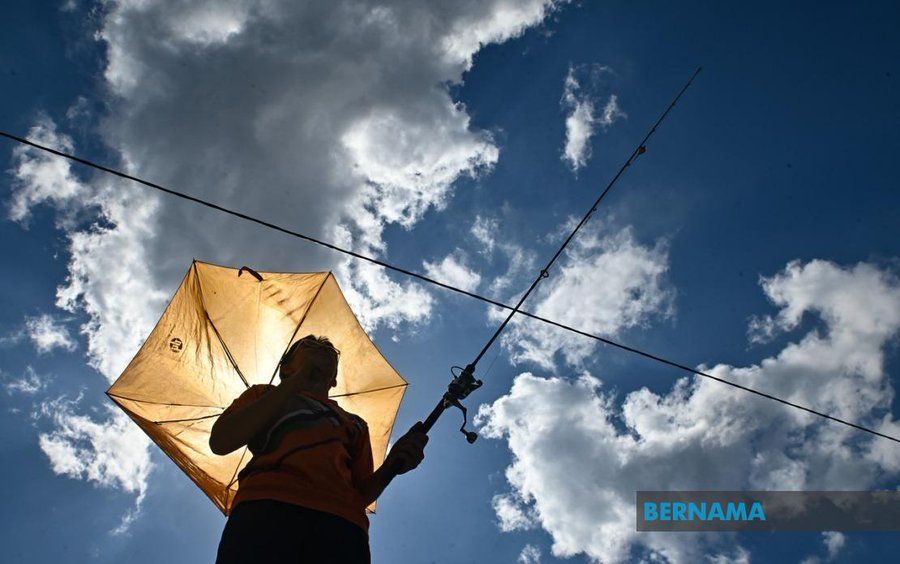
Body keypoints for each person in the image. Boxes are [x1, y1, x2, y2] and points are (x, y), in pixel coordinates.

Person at [209, 334, 428, 563]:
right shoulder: (261, 395)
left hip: (342, 524)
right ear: (285, 367)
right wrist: (296, 381)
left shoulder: (355, 423)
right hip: (264, 508)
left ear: (333, 379)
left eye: (329, 348)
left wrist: (392, 465)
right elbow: (221, 441)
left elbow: (361, 493)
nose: (323, 348)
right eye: (310, 344)